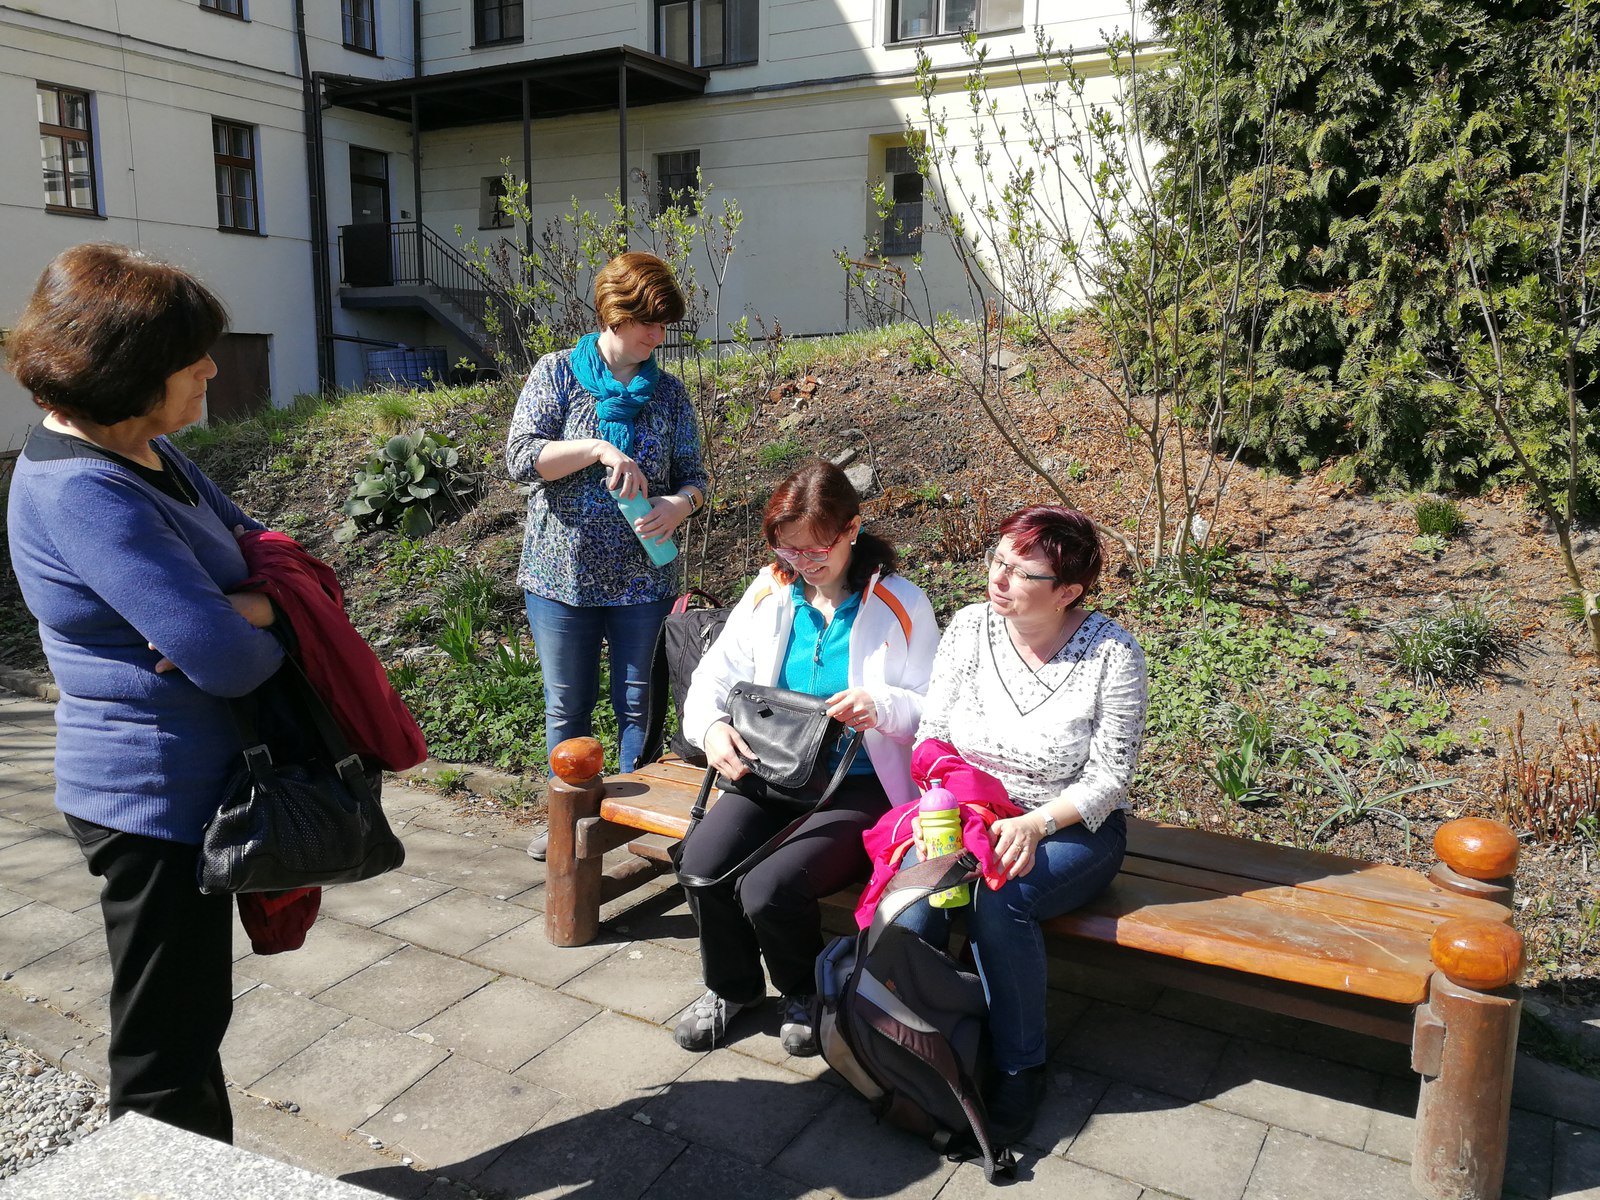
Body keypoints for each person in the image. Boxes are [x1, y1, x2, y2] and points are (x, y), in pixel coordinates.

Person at [5, 243, 287, 1141]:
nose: (211, 368)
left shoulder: (148, 452)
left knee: (194, 1023)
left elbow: (273, 553)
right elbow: (231, 662)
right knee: (166, 1053)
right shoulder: (84, 489)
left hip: (192, 787)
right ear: (127, 369)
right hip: (148, 803)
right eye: (190, 355)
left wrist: (259, 602)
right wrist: (264, 613)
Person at [895, 505, 1149, 1146]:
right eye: (998, 560)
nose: (999, 578)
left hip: (1071, 826)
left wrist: (1034, 825)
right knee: (914, 907)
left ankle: (1018, 1065)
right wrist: (941, 809)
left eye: (1022, 572)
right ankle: (926, 1053)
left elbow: (1110, 780)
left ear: (1068, 592)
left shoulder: (1112, 654)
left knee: (1000, 896)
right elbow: (933, 734)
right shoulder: (969, 626)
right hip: (965, 814)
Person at [673, 459, 940, 1055]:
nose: (802, 563)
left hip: (862, 783)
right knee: (700, 865)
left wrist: (882, 705)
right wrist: (711, 730)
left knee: (768, 889)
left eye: (816, 549)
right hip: (775, 768)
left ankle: (804, 990)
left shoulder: (899, 603)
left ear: (852, 529)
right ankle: (732, 987)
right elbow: (713, 678)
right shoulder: (771, 590)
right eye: (788, 548)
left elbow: (936, 707)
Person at [505, 251, 707, 782]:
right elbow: (522, 457)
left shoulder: (669, 394)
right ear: (615, 314)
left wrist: (678, 505)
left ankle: (626, 814)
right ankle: (570, 817)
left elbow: (696, 479)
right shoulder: (556, 374)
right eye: (647, 323)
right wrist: (597, 448)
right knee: (567, 708)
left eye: (664, 325)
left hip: (644, 581)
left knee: (640, 708)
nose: (658, 336)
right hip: (560, 579)